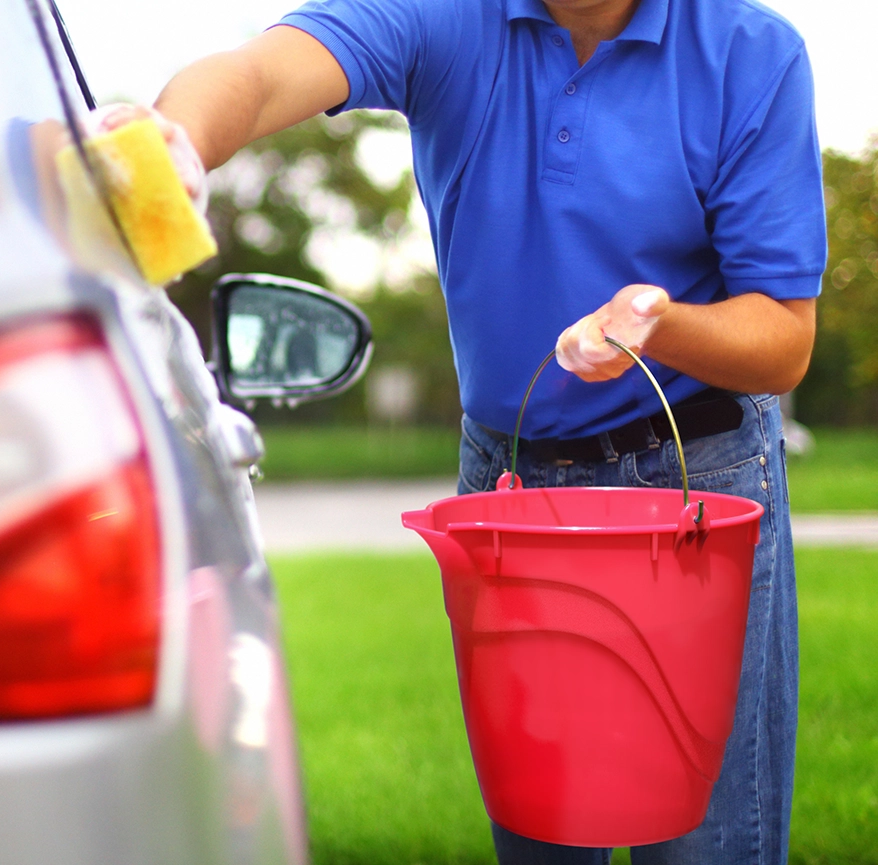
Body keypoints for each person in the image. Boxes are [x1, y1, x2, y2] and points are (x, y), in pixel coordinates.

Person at [130, 0, 827, 860]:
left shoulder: (751, 53)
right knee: (543, 823)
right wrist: (173, 138)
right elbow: (266, 69)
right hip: (512, 490)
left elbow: (785, 337)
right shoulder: (447, 18)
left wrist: (659, 322)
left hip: (698, 486)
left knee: (707, 838)